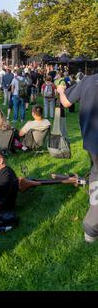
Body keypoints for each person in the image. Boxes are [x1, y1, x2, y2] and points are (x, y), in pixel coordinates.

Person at [58, 77, 98, 242]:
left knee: (96, 175)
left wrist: (61, 90)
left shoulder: (90, 80)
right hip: (93, 139)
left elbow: (66, 102)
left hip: (93, 138)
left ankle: (91, 229)